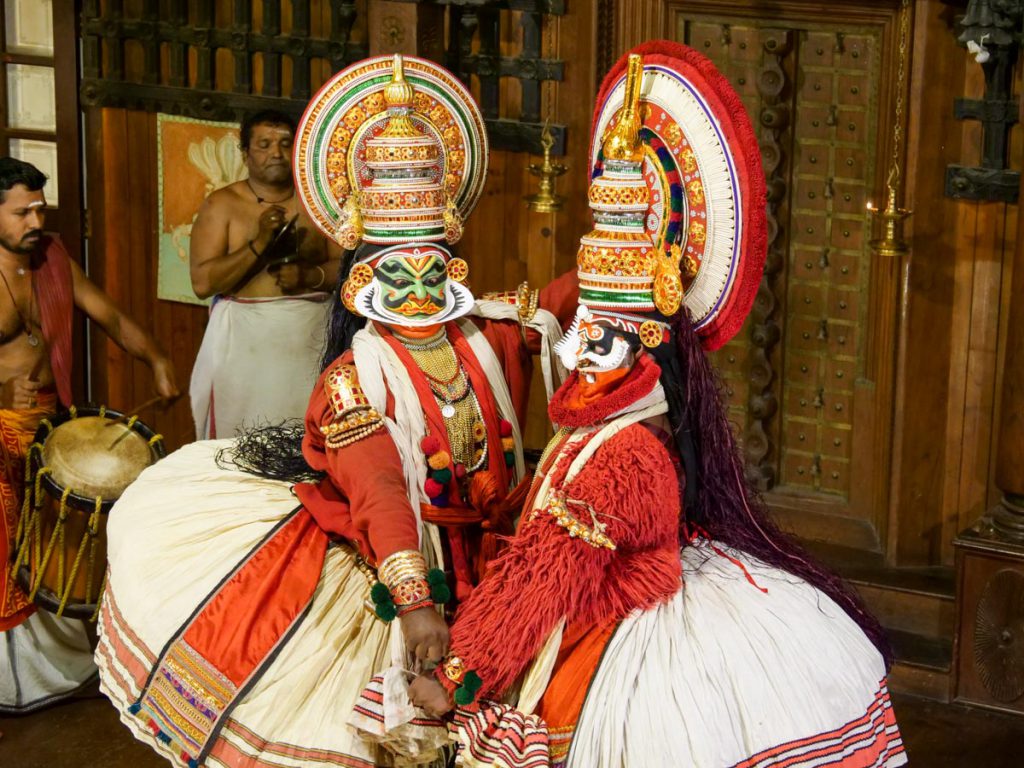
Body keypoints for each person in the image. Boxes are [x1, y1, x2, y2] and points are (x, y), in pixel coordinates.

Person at [407, 45, 906, 768]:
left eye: (601, 335)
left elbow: (548, 572)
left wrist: (459, 675)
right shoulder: (603, 421)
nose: (578, 348)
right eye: (581, 328)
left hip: (615, 630)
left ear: (646, 345)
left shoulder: (629, 451)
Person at [95, 54, 576, 768]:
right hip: (394, 570)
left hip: (492, 563)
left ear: (454, 258)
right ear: (363, 278)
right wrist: (415, 602)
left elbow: (566, 304)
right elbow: (380, 485)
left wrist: (626, 251)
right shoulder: (352, 379)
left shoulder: (491, 333)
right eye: (396, 265)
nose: (417, 282)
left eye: (432, 262)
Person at [0, 156, 179, 714]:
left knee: (55, 542)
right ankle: (16, 679)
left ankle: (58, 664)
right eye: (21, 211)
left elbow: (113, 316)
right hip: (0, 430)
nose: (35, 220)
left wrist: (156, 360)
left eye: (39, 208)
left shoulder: (53, 258)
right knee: (6, 550)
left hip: (50, 426)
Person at [188, 108, 343, 439]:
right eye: (264, 144)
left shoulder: (318, 203)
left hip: (308, 342)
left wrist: (309, 276)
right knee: (239, 445)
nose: (276, 152)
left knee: (306, 441)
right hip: (244, 349)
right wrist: (258, 245)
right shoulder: (222, 205)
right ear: (245, 153)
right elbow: (202, 283)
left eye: (286, 143)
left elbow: (347, 269)